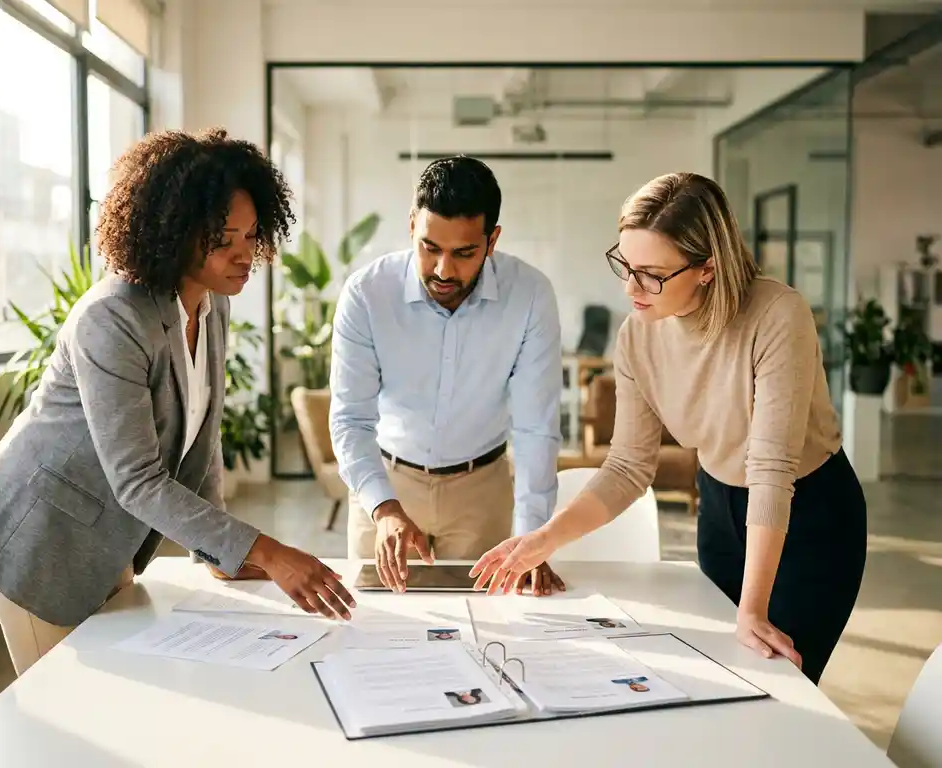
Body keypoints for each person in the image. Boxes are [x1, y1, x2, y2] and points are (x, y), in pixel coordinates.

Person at [0, 127, 355, 676]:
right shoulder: (112, 318)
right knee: (64, 702)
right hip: (40, 537)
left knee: (113, 697)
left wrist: (220, 555)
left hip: (103, 539)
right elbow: (138, 480)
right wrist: (266, 551)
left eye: (251, 235)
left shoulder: (211, 305)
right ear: (175, 233)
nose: (245, 256)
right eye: (224, 240)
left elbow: (203, 438)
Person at [471, 172, 867, 686]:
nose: (631, 289)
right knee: (725, 678)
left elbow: (771, 470)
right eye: (625, 266)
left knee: (779, 684)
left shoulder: (777, 316)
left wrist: (752, 610)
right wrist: (544, 539)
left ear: (707, 268)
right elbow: (628, 467)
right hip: (720, 506)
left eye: (652, 275)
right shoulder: (637, 335)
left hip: (807, 515)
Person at [329, 156, 566, 596]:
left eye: (463, 253)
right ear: (412, 225)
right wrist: (383, 508)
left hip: (482, 490)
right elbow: (350, 420)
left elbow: (536, 427)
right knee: (377, 623)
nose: (443, 270)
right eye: (430, 247)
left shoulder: (530, 295)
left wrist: (530, 537)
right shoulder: (366, 294)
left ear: (492, 241)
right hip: (386, 485)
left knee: (489, 622)